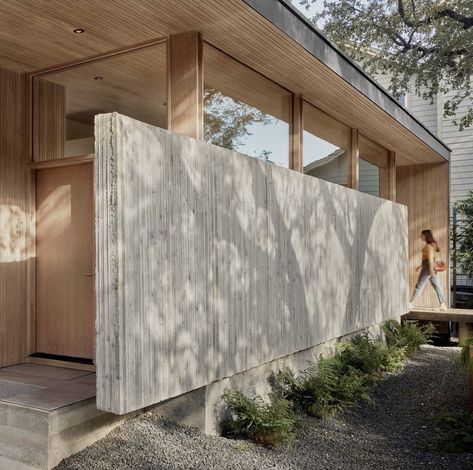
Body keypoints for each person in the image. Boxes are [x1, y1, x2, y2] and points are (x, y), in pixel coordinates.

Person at [408, 229, 447, 311]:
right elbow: (430, 258)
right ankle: (443, 305)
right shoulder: (433, 245)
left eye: (422, 235)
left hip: (428, 268)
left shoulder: (429, 246)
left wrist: (430, 270)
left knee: (419, 286)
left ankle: (411, 303)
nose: (420, 236)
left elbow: (430, 260)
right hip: (429, 267)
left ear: (426, 236)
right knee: (437, 286)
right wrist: (420, 266)